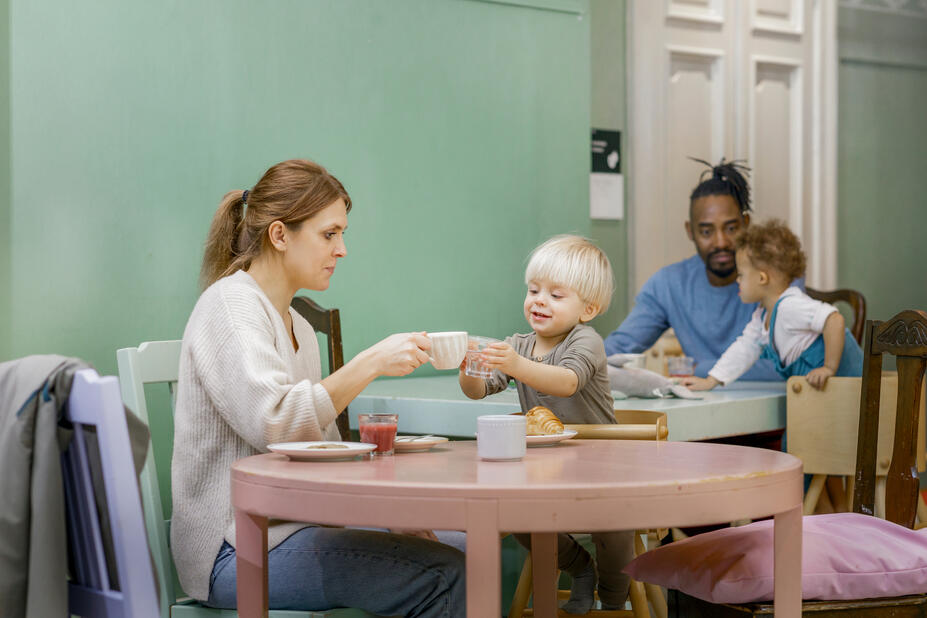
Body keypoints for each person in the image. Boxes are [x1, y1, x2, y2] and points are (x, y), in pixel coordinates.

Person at [171, 159, 464, 616]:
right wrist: (371, 361)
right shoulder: (230, 307)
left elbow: (318, 454)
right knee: (443, 573)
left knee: (467, 547)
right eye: (329, 234)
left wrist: (390, 519)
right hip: (233, 550)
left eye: (342, 234)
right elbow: (278, 424)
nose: (342, 249)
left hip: (291, 528)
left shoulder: (298, 327)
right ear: (280, 235)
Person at [458, 235, 633, 614]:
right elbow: (479, 391)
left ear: (588, 309)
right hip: (545, 470)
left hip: (602, 465)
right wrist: (468, 369)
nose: (539, 300)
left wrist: (514, 365)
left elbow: (568, 381)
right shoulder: (518, 345)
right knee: (514, 511)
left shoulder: (586, 341)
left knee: (616, 528)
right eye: (534, 289)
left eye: (556, 295)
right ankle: (579, 569)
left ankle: (615, 603)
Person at [604, 158, 782, 380]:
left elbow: (789, 367)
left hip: (775, 407)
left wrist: (698, 369)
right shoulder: (668, 285)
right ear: (690, 231)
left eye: (731, 228)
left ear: (746, 223)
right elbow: (618, 347)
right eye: (707, 231)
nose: (720, 242)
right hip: (701, 406)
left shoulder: (779, 275)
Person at [682, 219, 863, 391]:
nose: (737, 280)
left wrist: (828, 368)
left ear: (762, 278)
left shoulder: (790, 306)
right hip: (823, 390)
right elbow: (744, 348)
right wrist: (711, 380)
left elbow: (834, 320)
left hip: (848, 384)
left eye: (741, 275)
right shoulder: (762, 316)